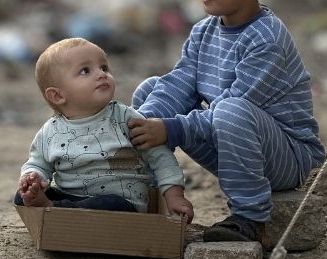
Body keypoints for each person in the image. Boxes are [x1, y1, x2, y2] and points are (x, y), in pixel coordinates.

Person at [127, 0, 323, 245]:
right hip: (232, 143)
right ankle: (141, 188)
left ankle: (249, 219)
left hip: (283, 156)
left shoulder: (266, 40)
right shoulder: (204, 31)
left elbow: (230, 110)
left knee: (230, 111)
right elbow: (179, 84)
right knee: (151, 91)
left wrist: (171, 129)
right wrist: (141, 122)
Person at [16, 38, 194, 221]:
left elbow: (160, 157)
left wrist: (175, 196)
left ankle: (52, 211)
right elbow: (37, 163)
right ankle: (55, 208)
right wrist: (32, 178)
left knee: (111, 204)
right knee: (21, 197)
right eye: (86, 71)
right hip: (71, 198)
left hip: (120, 205)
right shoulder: (50, 131)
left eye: (104, 67)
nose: (101, 74)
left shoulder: (126, 119)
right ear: (58, 95)